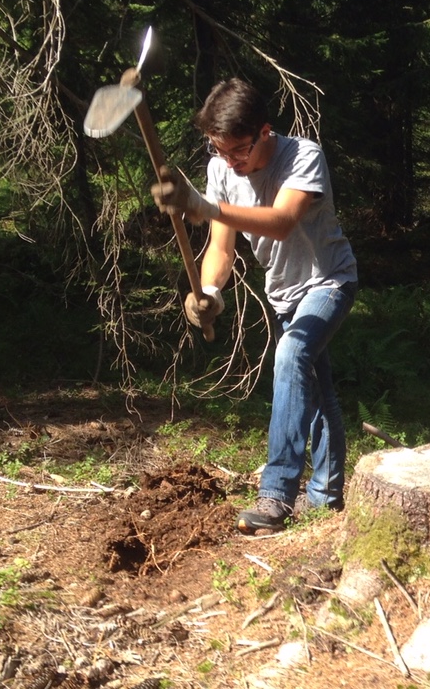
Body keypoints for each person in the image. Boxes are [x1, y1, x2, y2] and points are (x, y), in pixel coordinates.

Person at [151, 77, 358, 534]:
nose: (229, 161)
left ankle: (276, 494)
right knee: (318, 393)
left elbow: (282, 222)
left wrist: (206, 208)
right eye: (219, 150)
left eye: (239, 150)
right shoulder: (222, 170)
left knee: (291, 353)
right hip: (284, 292)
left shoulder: (302, 156)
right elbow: (221, 249)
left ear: (265, 132)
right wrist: (210, 292)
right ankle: (326, 498)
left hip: (329, 282)